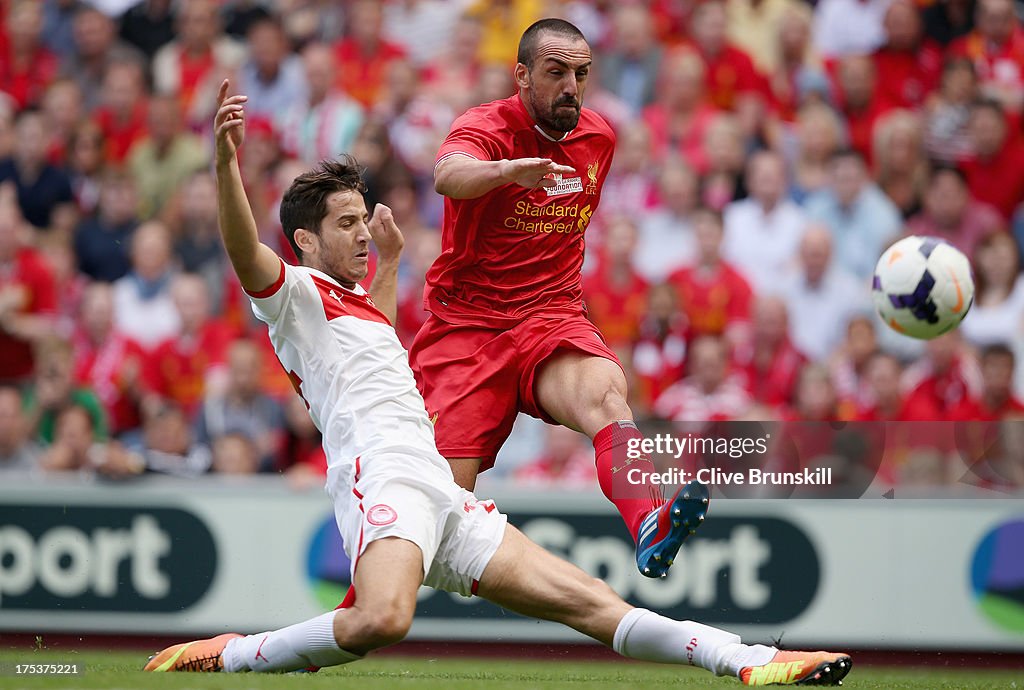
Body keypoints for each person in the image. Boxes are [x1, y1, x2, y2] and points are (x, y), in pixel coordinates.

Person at [143, 79, 853, 687]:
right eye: (348, 224)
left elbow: (377, 340)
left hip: (442, 493)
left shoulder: (352, 305)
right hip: (382, 479)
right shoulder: (292, 296)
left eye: (365, 219)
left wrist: (388, 263)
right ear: (303, 241)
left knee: (592, 602)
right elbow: (244, 254)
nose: (364, 232)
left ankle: (753, 661)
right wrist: (226, 164)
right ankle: (231, 655)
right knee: (382, 619)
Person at [410, 18, 707, 579]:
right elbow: (448, 176)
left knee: (607, 396)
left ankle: (649, 522)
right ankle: (352, 615)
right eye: (555, 72)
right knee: (438, 509)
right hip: (468, 327)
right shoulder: (485, 127)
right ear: (521, 75)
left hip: (550, 316)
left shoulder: (600, 138)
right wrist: (506, 172)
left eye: (582, 73)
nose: (571, 85)